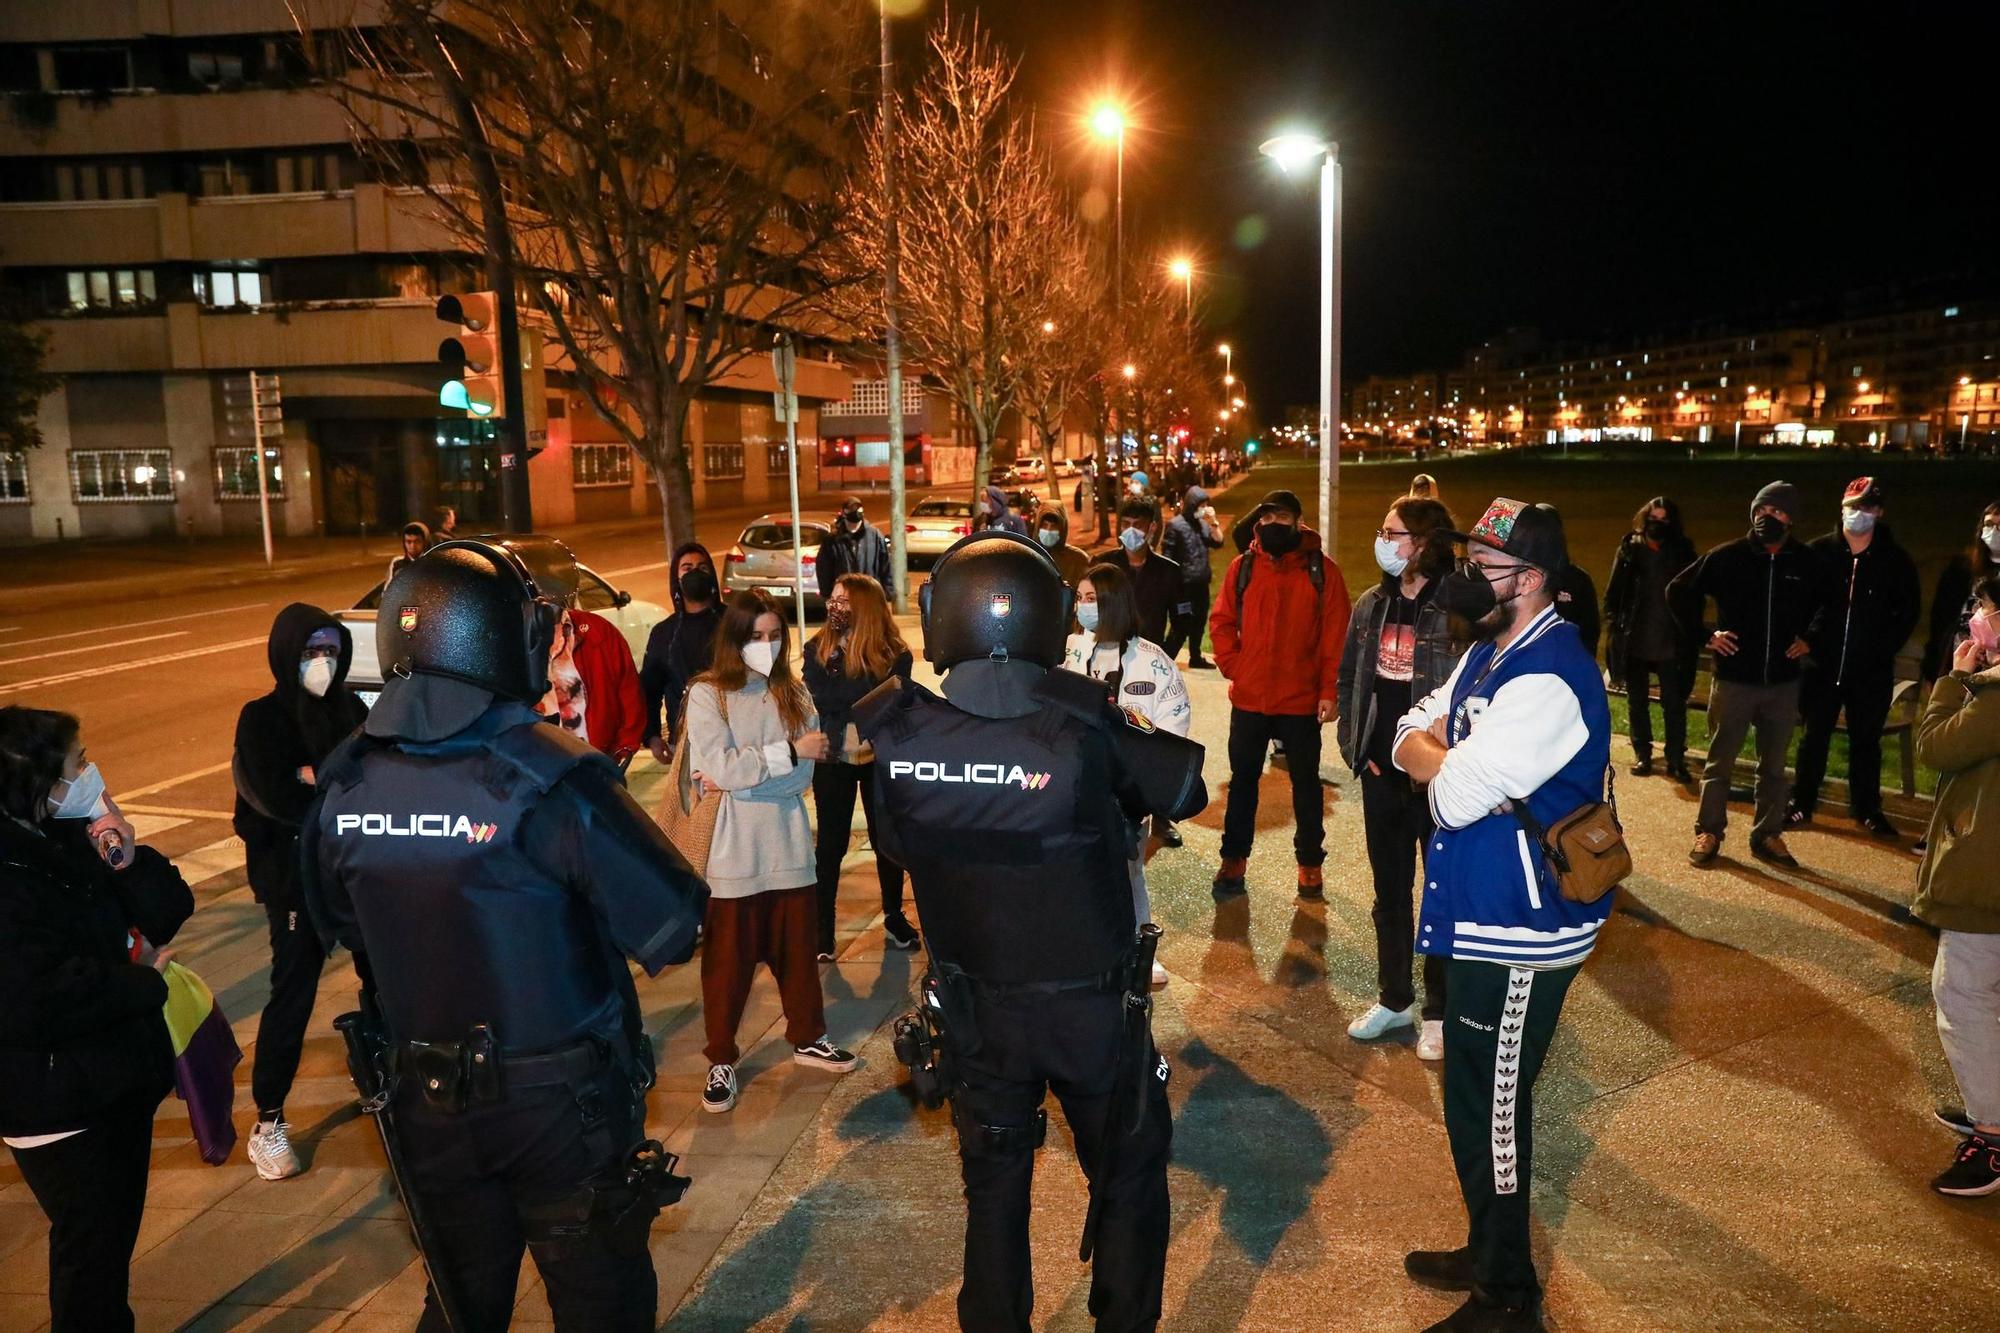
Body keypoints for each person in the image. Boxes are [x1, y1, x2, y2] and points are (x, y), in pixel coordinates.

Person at [301, 538, 705, 1330]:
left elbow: (343, 922)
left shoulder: (346, 777)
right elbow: (675, 923)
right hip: (561, 1110)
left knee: (459, 1304)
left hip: (427, 1101)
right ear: (508, 642)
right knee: (601, 1301)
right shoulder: (552, 776)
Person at [854, 530, 1207, 1333]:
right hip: (1090, 1013)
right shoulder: (1082, 725)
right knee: (1126, 1175)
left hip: (978, 1016)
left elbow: (895, 845)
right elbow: (1186, 787)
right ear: (1049, 615)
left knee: (994, 1187)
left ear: (943, 618)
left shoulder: (897, 733)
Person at [1391, 498, 1612, 1332]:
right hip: (1480, 913)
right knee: (1470, 1096)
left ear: (1533, 578)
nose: (1469, 579)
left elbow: (1449, 795)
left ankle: (1508, 1294)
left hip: (1524, 929)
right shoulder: (1492, 649)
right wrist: (1439, 748)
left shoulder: (1552, 672)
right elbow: (1411, 727)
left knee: (1496, 1101)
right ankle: (1489, 1247)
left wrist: (1441, 759)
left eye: (1487, 567)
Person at [0, 707, 194, 1333]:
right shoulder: (10, 875)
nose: (90, 773)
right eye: (76, 765)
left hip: (105, 1084)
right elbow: (33, 998)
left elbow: (168, 909)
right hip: (56, 1102)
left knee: (104, 1256)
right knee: (91, 1260)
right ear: (36, 784)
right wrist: (143, 985)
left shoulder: (65, 835)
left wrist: (125, 855)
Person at [686, 589, 856, 1114]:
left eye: (774, 636)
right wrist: (780, 755)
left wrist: (743, 774)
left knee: (798, 955)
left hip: (785, 845)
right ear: (734, 639)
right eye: (755, 637)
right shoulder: (707, 694)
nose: (766, 645)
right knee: (726, 967)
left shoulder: (794, 693)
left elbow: (800, 776)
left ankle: (807, 1036)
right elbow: (723, 764)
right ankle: (721, 1058)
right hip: (732, 856)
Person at [232, 604, 368, 1181]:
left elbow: (372, 779)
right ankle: (268, 1120)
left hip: (353, 869)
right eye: (312, 652)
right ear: (287, 654)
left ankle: (387, 1075)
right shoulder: (261, 718)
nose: (322, 663)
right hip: (292, 880)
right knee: (293, 990)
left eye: (332, 652)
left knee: (384, 975)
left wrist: (315, 777)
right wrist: (317, 782)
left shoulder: (351, 708)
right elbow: (272, 799)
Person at [1335, 494, 1464, 1061]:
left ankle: (1438, 1011)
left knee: (1441, 897)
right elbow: (1348, 679)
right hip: (1378, 774)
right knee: (1390, 894)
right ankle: (1395, 999)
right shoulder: (1370, 604)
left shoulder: (1455, 609)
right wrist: (1355, 748)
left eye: (1393, 533)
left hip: (1437, 780)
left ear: (1424, 542)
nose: (1382, 541)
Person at [1209, 488, 1352, 902]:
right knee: (1242, 783)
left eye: (1282, 519)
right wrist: (1236, 667)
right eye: (1267, 519)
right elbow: (1221, 622)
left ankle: (1310, 864)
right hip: (1250, 701)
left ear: (1298, 522)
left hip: (1301, 701)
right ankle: (1233, 859)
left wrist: (1329, 692)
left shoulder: (1322, 572)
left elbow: (1335, 639)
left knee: (1306, 786)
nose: (1274, 526)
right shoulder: (1243, 568)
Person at [1669, 481, 1820, 869]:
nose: (1769, 518)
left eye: (1779, 512)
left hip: (1783, 684)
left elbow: (1833, 605)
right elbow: (1678, 591)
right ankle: (1709, 831)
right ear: (1753, 514)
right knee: (1720, 763)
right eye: (1762, 511)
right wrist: (1707, 635)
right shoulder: (1727, 557)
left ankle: (1768, 834)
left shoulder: (1805, 562)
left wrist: (1811, 640)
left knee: (1773, 767)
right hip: (1734, 680)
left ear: (1791, 518)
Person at [1064, 560, 1194, 984]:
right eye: (1080, 599)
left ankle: (1141, 948)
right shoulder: (1069, 651)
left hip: (1126, 794)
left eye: (1092, 600)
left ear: (1113, 604)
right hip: (1074, 786)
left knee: (1129, 869)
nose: (1084, 608)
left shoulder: (1152, 661)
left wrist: (1146, 782)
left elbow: (1175, 724)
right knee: (1077, 868)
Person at [1913, 576, 2000, 1196]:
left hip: (1988, 872)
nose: (1977, 618)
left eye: (1986, 609)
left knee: (1962, 993)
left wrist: (1953, 679)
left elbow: (1936, 747)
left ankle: (1993, 1137)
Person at [1789, 476, 1922, 839]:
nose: (1857, 514)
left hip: (1870, 672)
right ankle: (1801, 802)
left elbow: (1907, 612)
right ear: (1841, 508)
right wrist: (1808, 641)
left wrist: (1880, 649)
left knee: (1866, 742)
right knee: (1813, 738)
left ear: (1878, 512)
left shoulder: (1895, 561)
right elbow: (1799, 604)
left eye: (1866, 507)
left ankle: (1867, 809)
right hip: (1821, 667)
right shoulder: (1818, 553)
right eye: (1852, 506)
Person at [803, 574, 918, 959]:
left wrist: (852, 699)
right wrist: (858, 694)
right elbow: (824, 697)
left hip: (879, 756)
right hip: (834, 756)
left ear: (865, 608)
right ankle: (822, 932)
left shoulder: (896, 652)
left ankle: (893, 915)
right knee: (831, 844)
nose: (835, 608)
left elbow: (888, 699)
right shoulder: (817, 649)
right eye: (833, 600)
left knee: (886, 839)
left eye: (844, 602)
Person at [1604, 497, 1700, 781]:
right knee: (1637, 702)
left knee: (1674, 702)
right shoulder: (1630, 551)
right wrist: (1617, 626)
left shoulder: (1682, 551)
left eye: (1663, 520)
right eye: (1652, 519)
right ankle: (1642, 754)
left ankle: (1675, 758)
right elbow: (1613, 594)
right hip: (1636, 638)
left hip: (1671, 641)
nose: (1657, 525)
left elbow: (1694, 595)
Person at [540, 596, 647, 767]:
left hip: (597, 764)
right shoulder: (511, 640)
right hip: (540, 769)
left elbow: (629, 693)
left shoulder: (599, 631)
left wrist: (624, 748)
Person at [641, 543, 722, 764]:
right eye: (687, 568)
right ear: (676, 578)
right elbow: (649, 690)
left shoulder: (733, 622)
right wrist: (652, 736)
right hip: (686, 744)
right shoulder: (664, 633)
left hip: (734, 739)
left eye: (702, 567)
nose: (695, 573)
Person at [1921, 501, 2000, 685]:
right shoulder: (1961, 570)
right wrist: (1932, 665)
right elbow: (1940, 619)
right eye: (1989, 524)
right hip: (1957, 661)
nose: (1994, 531)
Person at [1160, 485, 1226, 669]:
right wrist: (1171, 585)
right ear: (1191, 504)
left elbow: (1219, 542)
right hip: (1183, 588)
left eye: (1206, 505)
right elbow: (1168, 556)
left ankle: (1195, 657)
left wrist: (1213, 521)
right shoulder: (1175, 525)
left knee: (1199, 623)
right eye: (1201, 505)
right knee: (1181, 627)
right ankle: (1163, 662)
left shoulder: (1203, 525)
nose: (1203, 508)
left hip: (1200, 585)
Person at [1111, 495, 1184, 646]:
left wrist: (1165, 654)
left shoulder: (1169, 571)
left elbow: (1182, 621)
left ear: (1152, 527)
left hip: (1149, 658)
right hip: (1109, 657)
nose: (1130, 530)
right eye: (1126, 524)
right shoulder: (1104, 565)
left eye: (1138, 525)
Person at [817, 498, 896, 602]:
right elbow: (824, 568)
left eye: (856, 524)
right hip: (843, 598)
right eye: (850, 523)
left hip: (870, 596)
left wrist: (887, 592)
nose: (853, 527)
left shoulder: (875, 536)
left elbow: (886, 565)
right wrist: (828, 593)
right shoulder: (832, 541)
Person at [1034, 502, 1091, 588]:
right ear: (1038, 527)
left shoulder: (1078, 560)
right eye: (1045, 525)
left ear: (1062, 529)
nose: (1048, 531)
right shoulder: (1028, 555)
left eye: (1053, 526)